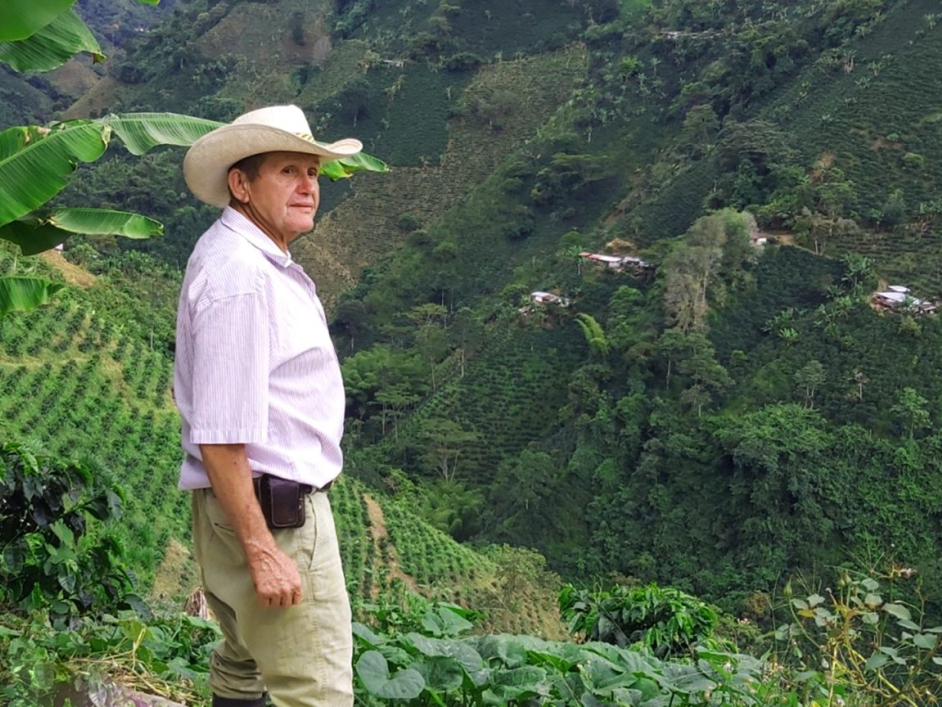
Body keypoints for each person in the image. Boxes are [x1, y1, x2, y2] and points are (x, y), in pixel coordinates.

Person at [173, 105, 363, 707]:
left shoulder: (243, 255)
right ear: (242, 183)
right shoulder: (243, 278)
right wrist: (262, 550)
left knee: (243, 663)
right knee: (316, 691)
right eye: (288, 170)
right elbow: (222, 433)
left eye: (313, 173)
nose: (308, 187)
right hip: (272, 515)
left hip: (240, 506)